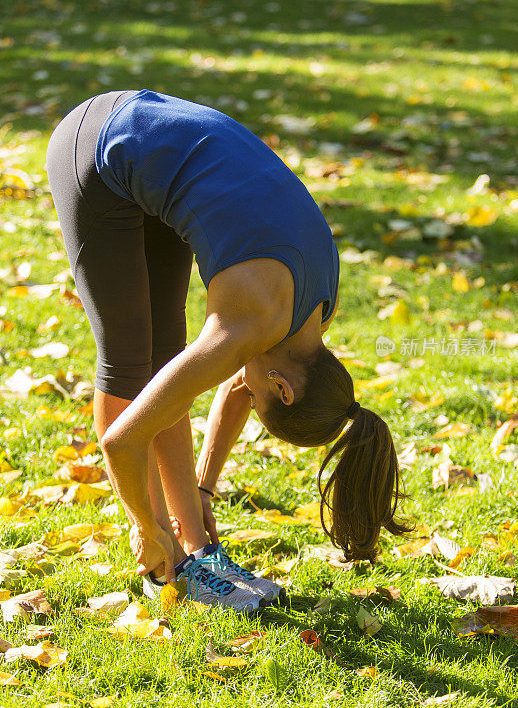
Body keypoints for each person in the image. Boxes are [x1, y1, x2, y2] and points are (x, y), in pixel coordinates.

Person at [46, 89, 409, 614]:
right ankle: (162, 563)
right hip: (95, 150)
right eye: (266, 399)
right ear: (283, 389)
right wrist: (144, 527)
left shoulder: (313, 314)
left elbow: (240, 386)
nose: (246, 384)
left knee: (168, 356)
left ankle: (196, 552)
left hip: (157, 153)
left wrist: (204, 493)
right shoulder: (251, 323)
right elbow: (122, 440)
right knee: (130, 364)